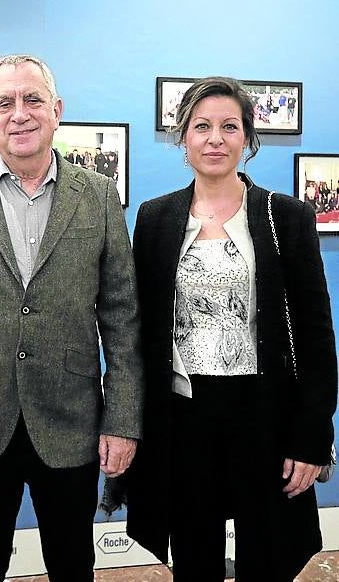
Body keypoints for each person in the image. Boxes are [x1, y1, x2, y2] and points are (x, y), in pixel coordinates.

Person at [0, 54, 143, 582]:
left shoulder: (99, 195)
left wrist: (122, 419)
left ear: (56, 111)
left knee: (71, 563)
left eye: (32, 99)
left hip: (70, 417)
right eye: (5, 103)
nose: (20, 113)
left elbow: (123, 319)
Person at [124, 76, 337, 581]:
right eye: (202, 126)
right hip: (183, 416)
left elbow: (314, 332)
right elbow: (141, 330)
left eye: (229, 127)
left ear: (247, 139)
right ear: (184, 139)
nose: (215, 138)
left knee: (269, 555)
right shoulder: (155, 219)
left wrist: (312, 436)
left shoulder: (286, 216)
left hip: (264, 413)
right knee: (193, 553)